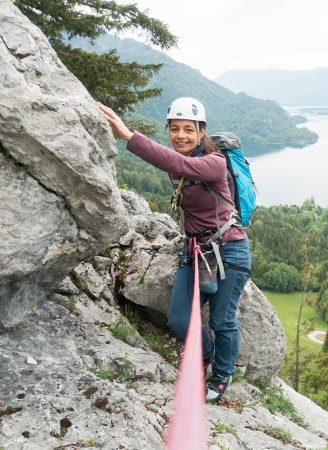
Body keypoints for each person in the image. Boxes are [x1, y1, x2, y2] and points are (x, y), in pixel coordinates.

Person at [99, 98, 251, 403]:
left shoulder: (214, 162)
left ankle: (222, 375)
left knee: (223, 321)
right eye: (175, 129)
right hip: (195, 251)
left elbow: (176, 162)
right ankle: (204, 354)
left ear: (201, 132)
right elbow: (177, 165)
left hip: (229, 251)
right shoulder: (182, 168)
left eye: (188, 130)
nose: (180, 135)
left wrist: (130, 136)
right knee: (180, 321)